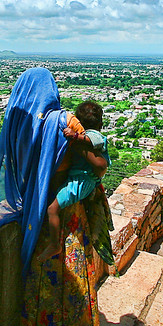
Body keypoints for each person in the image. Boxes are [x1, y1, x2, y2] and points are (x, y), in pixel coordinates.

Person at [0, 68, 112, 326]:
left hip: (38, 206)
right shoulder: (65, 122)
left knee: (43, 274)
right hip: (71, 212)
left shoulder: (24, 123)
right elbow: (100, 166)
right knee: (73, 269)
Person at [39, 101, 110, 261]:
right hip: (82, 180)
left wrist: (76, 137)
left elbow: (100, 162)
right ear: (101, 123)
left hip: (80, 181)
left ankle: (54, 244)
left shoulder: (87, 139)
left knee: (52, 209)